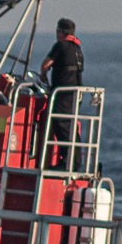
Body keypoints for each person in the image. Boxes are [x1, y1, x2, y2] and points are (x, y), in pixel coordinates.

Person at [43, 18, 84, 169]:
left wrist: (43, 77)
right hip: (75, 93)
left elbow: (45, 65)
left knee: (60, 123)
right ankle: (76, 161)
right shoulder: (77, 49)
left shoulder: (60, 46)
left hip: (62, 93)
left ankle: (67, 161)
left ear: (61, 32)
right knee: (72, 126)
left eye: (57, 31)